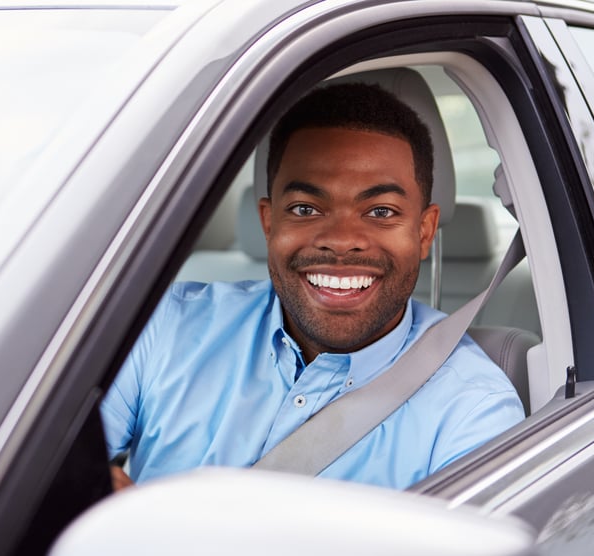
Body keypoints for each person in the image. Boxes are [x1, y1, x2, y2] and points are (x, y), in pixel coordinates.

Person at [101, 82, 524, 491]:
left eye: (380, 211)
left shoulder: (472, 409)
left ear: (424, 231)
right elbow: (49, 464)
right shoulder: (165, 327)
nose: (340, 240)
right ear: (269, 222)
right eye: (305, 208)